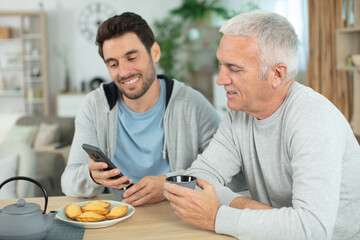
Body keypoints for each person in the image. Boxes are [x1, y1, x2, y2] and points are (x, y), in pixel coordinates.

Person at [164, 10, 360, 239]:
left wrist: (217, 215)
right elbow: (199, 177)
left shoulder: (313, 118)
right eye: (221, 65)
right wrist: (260, 213)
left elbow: (311, 229)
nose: (220, 79)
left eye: (234, 68)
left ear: (277, 74)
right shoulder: (241, 114)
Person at [61, 12, 222, 207]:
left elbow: (222, 172)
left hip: (177, 213)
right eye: (113, 64)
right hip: (117, 214)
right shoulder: (95, 105)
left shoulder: (192, 104)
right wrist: (91, 176)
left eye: (132, 57)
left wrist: (168, 183)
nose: (124, 72)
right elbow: (68, 181)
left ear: (154, 52)